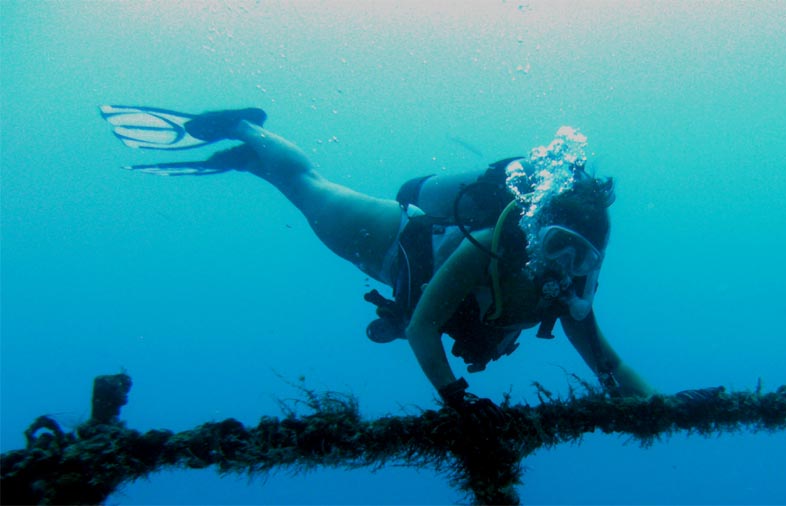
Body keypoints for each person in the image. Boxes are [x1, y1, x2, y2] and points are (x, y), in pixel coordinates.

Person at [100, 106, 655, 420]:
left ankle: (252, 163)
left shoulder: (569, 292)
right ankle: (247, 129)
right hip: (390, 242)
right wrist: (457, 399)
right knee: (307, 188)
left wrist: (662, 407)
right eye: (556, 243)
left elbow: (608, 364)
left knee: (290, 185)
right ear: (536, 229)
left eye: (579, 255)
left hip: (406, 276)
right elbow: (421, 328)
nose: (560, 263)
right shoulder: (488, 243)